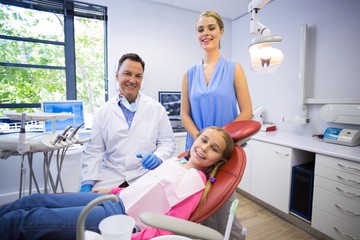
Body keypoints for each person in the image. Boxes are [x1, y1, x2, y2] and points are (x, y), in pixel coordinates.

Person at [0, 126, 235, 240]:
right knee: (36, 199)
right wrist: (110, 189)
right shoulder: (178, 161)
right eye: (203, 140)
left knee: (25, 221)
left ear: (219, 160)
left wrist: (131, 238)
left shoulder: (195, 182)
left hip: (120, 218)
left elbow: (168, 225)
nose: (204, 148)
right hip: (114, 199)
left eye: (213, 148)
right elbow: (145, 186)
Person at [180, 11, 253, 240]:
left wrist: (218, 142)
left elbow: (247, 112)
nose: (206, 33)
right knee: (194, 210)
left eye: (211, 28)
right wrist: (201, 142)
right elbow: (184, 114)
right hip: (195, 152)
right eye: (201, 29)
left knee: (222, 211)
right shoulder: (189, 74)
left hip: (223, 154)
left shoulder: (234, 69)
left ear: (221, 32)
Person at [80, 53, 175, 191]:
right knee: (93, 206)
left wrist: (158, 157)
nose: (132, 80)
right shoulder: (103, 112)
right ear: (117, 75)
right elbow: (94, 150)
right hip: (111, 175)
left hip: (144, 175)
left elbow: (168, 142)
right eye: (127, 74)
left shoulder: (156, 109)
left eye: (138, 76)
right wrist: (87, 182)